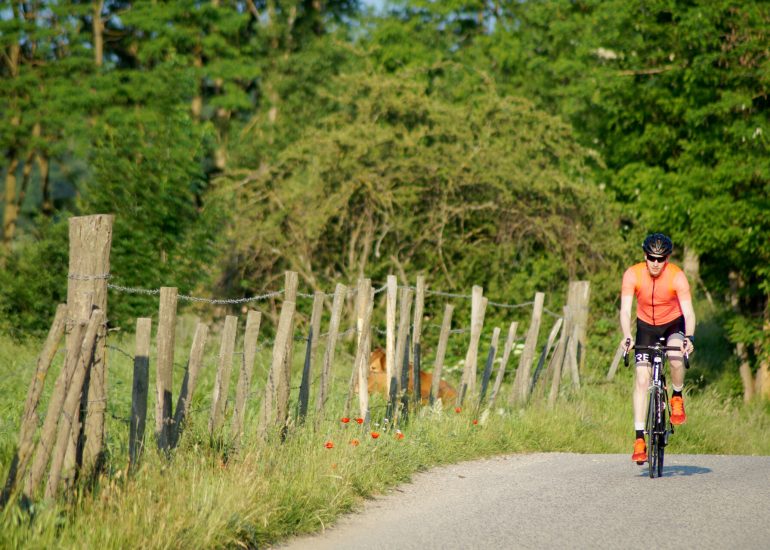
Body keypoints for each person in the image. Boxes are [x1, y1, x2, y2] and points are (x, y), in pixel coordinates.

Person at [619, 233, 695, 463]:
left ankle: (677, 395)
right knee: (642, 378)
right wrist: (626, 335)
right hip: (645, 326)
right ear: (645, 255)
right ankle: (640, 438)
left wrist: (689, 337)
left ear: (667, 259)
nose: (655, 263)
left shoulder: (677, 277)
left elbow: (689, 312)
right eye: (651, 257)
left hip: (672, 324)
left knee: (674, 355)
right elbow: (624, 310)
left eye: (660, 259)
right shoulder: (632, 274)